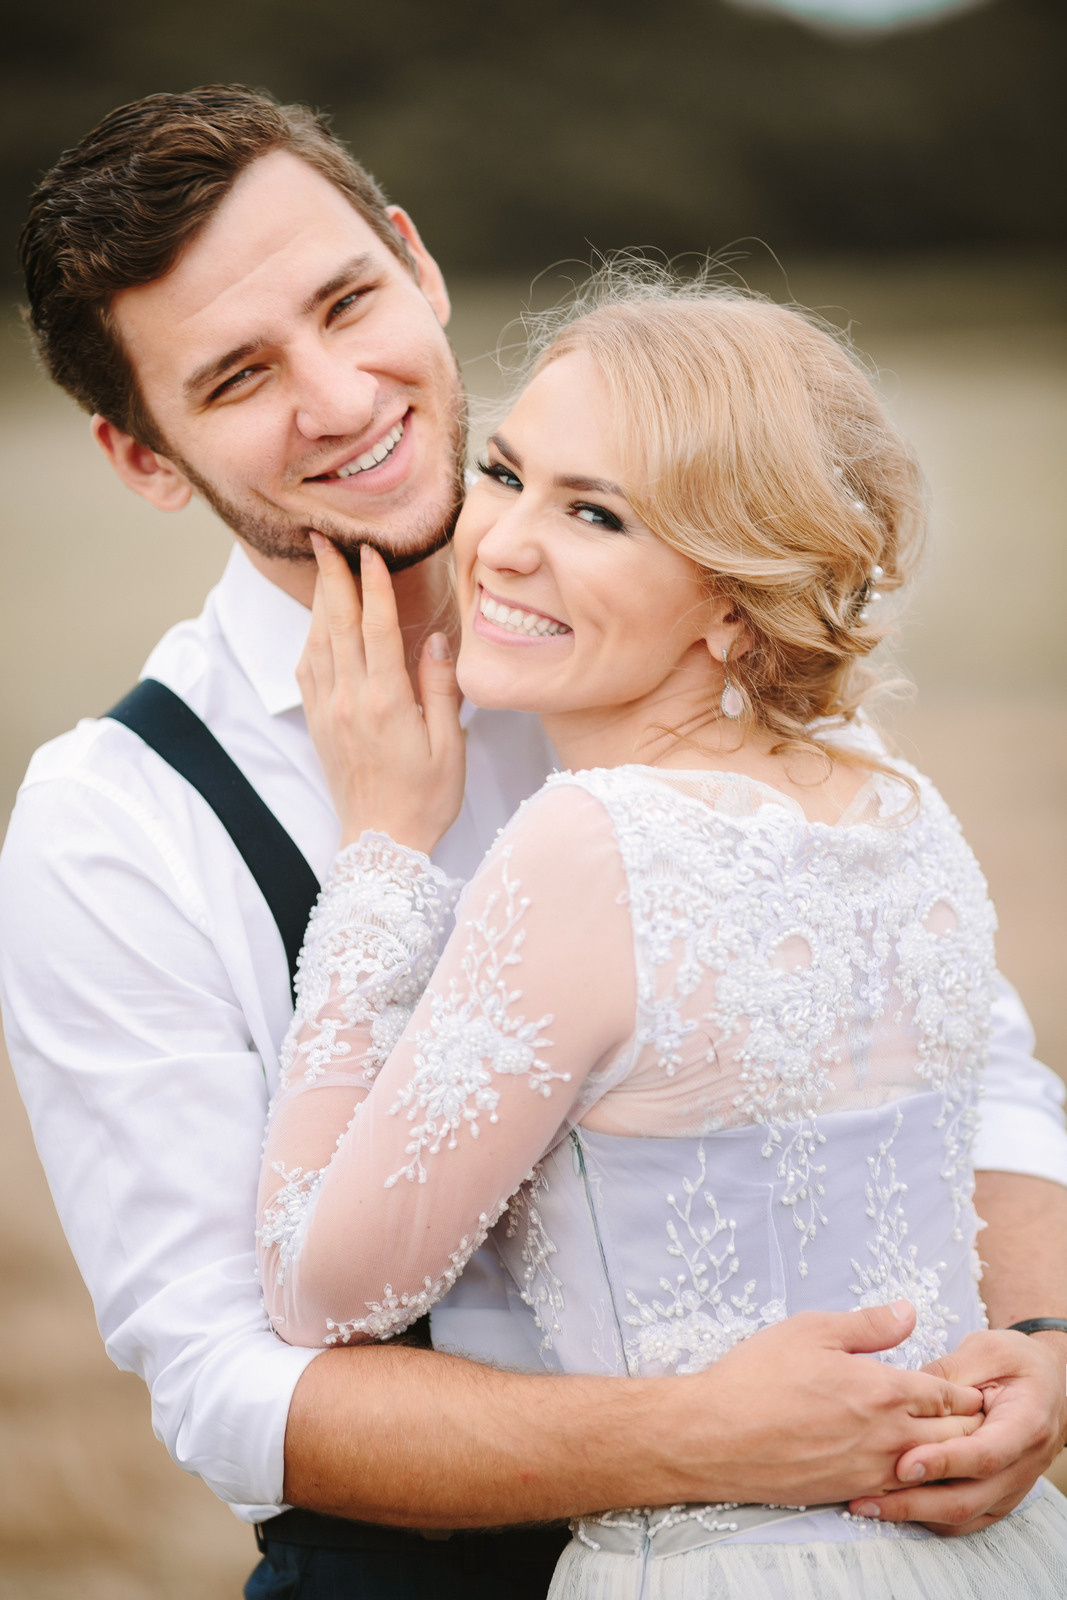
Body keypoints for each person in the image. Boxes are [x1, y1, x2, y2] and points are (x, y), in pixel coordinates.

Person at [0, 84, 1064, 1599]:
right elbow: (229, 1382)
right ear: (143, 457)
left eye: (348, 301)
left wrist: (1045, 1352)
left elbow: (979, 1078)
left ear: (417, 267)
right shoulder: (116, 821)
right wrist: (699, 1443)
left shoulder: (715, 618)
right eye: (238, 376)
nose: (341, 396)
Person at [255, 273, 1067, 1595]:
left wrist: (385, 850)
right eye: (507, 472)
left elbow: (317, 1287)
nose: (504, 543)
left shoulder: (595, 847)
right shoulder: (903, 813)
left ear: (736, 596)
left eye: (597, 514)